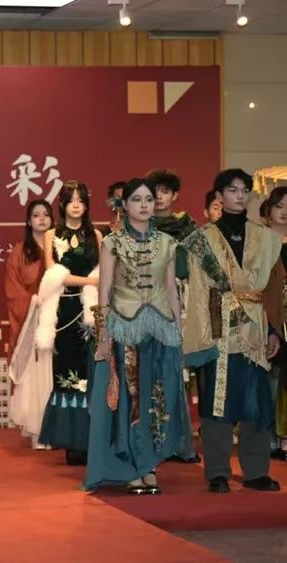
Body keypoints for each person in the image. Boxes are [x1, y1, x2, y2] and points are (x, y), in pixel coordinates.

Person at [86, 178, 194, 494]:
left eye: (149, 199)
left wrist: (178, 330)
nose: (145, 205)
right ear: (124, 205)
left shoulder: (168, 243)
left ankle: (149, 465)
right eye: (137, 199)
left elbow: (171, 289)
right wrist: (104, 334)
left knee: (157, 397)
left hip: (161, 329)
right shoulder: (112, 243)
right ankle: (130, 466)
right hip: (125, 329)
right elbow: (104, 290)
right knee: (129, 399)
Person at [181, 169, 283, 493]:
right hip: (218, 329)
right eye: (232, 189)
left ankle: (256, 472)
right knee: (217, 404)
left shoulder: (265, 238)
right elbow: (198, 291)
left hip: (255, 329)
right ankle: (218, 473)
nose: (239, 195)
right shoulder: (202, 240)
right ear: (219, 196)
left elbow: (271, 289)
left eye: (244, 190)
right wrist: (206, 335)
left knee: (257, 403)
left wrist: (273, 330)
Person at [36, 182, 101, 465]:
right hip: (63, 311)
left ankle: (89, 440)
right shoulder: (51, 235)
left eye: (80, 199)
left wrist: (94, 284)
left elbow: (103, 271)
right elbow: (54, 274)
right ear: (61, 204)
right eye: (70, 199)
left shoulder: (96, 235)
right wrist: (90, 281)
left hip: (90, 312)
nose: (76, 204)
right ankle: (70, 441)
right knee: (65, 373)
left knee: (90, 373)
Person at [6, 200, 53, 447]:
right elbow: (13, 289)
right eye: (36, 215)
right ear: (28, 221)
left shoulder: (60, 246)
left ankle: (59, 429)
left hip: (58, 320)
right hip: (32, 321)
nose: (42, 219)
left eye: (46, 214)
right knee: (36, 378)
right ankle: (38, 430)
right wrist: (33, 301)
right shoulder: (20, 251)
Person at [261, 187, 287, 461]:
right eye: (279, 206)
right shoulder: (261, 243)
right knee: (271, 381)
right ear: (269, 210)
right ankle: (267, 437)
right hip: (269, 320)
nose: (285, 212)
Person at [146, 169, 196, 242]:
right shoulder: (137, 225)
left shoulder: (184, 224)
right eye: (154, 192)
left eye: (165, 192)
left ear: (174, 196)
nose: (158, 196)